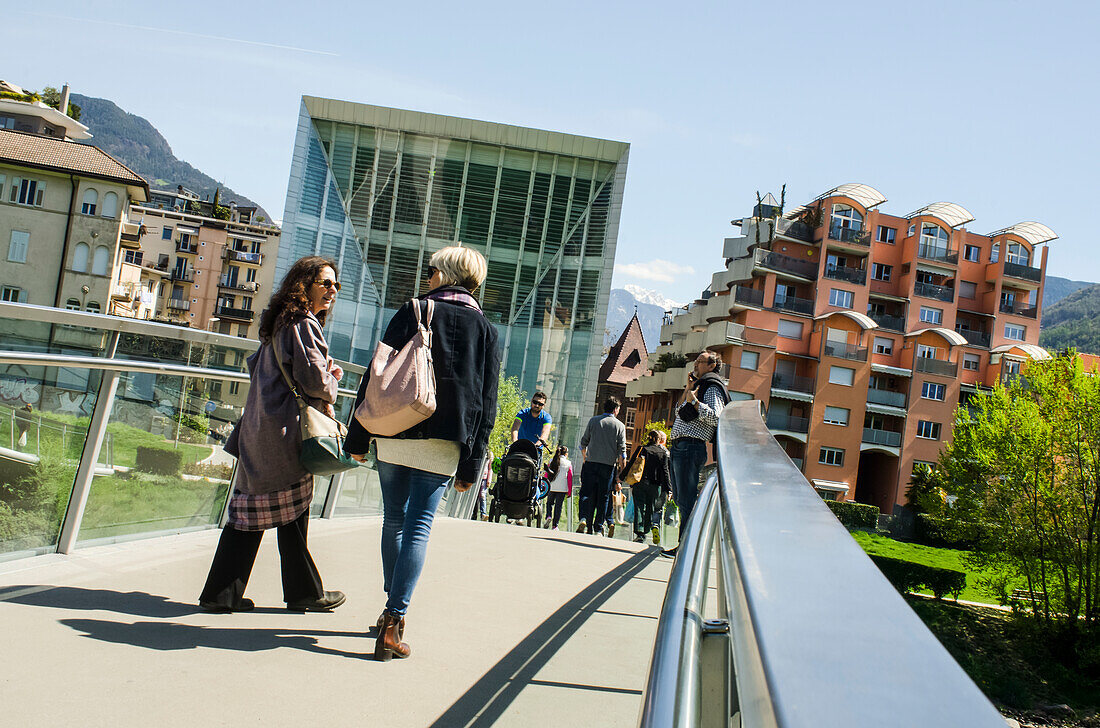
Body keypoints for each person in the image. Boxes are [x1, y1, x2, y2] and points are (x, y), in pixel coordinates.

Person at [345, 245, 500, 662]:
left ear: (445, 274)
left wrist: (357, 438)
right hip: (445, 440)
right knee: (418, 526)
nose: (427, 276)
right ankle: (394, 620)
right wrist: (473, 461)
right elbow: (487, 402)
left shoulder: (412, 310)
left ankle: (388, 612)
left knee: (393, 519)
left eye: (431, 269)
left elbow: (376, 373)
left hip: (395, 429)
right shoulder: (484, 330)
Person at [198, 256, 346, 613]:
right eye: (325, 283)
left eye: (335, 285)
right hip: (284, 431)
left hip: (259, 426)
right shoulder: (302, 322)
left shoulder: (279, 321)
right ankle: (302, 593)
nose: (332, 290)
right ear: (304, 284)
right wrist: (332, 381)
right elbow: (313, 378)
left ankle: (223, 594)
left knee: (253, 510)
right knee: (288, 508)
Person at [663, 351, 730, 558]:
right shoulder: (697, 387)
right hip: (680, 447)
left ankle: (685, 549)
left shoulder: (711, 387)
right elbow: (678, 413)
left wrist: (695, 402)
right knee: (682, 498)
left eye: (700, 361)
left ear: (711, 366)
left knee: (686, 500)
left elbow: (716, 417)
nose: (695, 364)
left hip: (690, 447)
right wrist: (688, 391)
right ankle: (685, 546)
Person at [577, 397, 626, 536]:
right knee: (604, 497)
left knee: (586, 493)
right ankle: (599, 527)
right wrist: (621, 474)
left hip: (591, 463)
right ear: (615, 409)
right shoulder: (620, 426)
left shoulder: (593, 421)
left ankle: (584, 518)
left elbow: (583, 443)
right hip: (608, 466)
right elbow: (622, 453)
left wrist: (585, 458)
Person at [621, 429, 671, 544]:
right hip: (655, 486)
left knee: (639, 506)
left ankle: (640, 533)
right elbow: (665, 471)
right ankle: (647, 529)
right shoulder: (662, 453)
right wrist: (668, 488)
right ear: (659, 440)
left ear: (648, 438)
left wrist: (621, 476)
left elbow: (631, 464)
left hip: (640, 482)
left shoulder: (642, 449)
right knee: (650, 507)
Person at [544, 445, 572, 530]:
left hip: (551, 486)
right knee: (558, 506)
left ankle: (548, 516)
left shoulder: (552, 461)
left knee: (549, 503)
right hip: (562, 488)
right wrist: (569, 491)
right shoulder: (568, 463)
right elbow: (570, 478)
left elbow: (546, 474)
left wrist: (545, 486)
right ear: (566, 454)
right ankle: (555, 525)